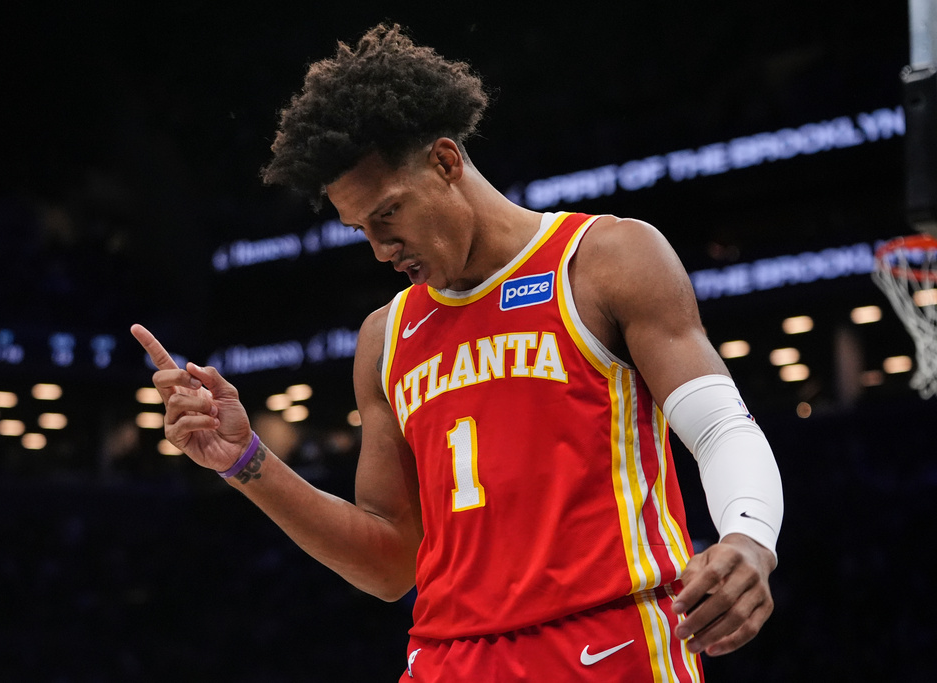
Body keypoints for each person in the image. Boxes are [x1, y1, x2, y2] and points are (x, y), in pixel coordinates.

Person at [131, 23, 783, 682]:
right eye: (360, 229)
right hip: (446, 659)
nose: (380, 248)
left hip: (607, 645)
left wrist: (749, 535)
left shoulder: (604, 260)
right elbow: (390, 564)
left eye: (388, 214)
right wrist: (247, 462)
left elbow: (721, 425)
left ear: (446, 161)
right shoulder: (385, 337)